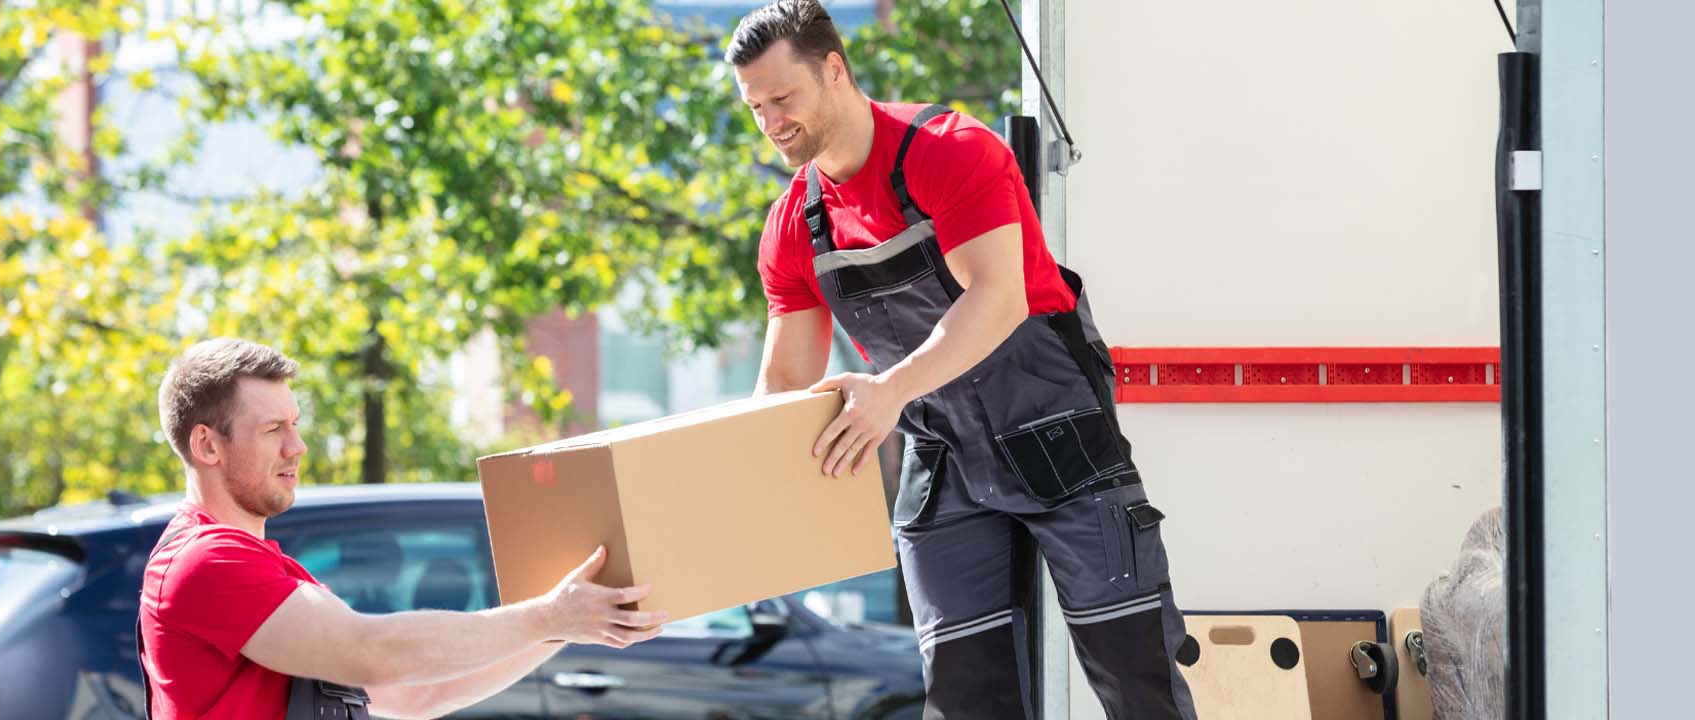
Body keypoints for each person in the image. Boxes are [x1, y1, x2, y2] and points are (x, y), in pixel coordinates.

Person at [725, 2, 1196, 717]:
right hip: (941, 454)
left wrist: (887, 391)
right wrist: (736, 499)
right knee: (964, 695)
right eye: (755, 106)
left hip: (1055, 430)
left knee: (1138, 681)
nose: (770, 120)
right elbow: (785, 380)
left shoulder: (948, 149)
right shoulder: (795, 223)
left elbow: (998, 297)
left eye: (782, 97)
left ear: (834, 70)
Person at [138, 338, 665, 719]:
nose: (296, 447)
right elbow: (372, 651)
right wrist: (550, 613)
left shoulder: (268, 567)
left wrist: (565, 624)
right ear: (207, 445)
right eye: (273, 428)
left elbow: (416, 695)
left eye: (296, 424)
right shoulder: (203, 560)